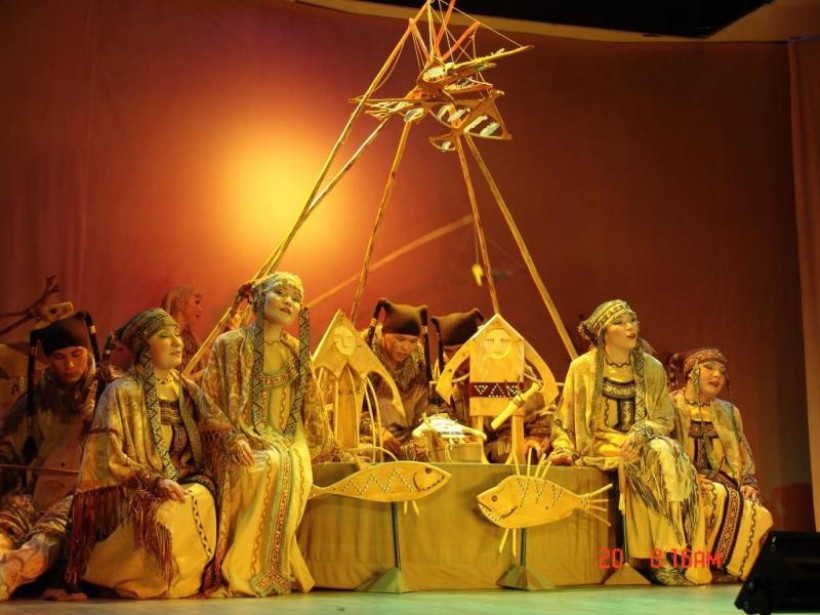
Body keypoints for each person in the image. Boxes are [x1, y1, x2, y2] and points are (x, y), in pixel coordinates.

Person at [65, 308, 246, 599]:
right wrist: (153, 481)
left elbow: (217, 422)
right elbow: (106, 456)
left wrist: (235, 440)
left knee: (196, 497)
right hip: (135, 491)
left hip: (186, 482)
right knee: (167, 510)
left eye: (177, 335)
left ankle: (180, 580)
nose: (176, 342)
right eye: (164, 336)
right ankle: (126, 576)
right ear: (143, 347)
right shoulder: (121, 392)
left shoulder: (186, 389)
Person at [199, 272, 334, 597]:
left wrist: (326, 446)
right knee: (265, 464)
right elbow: (209, 401)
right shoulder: (229, 344)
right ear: (260, 298)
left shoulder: (297, 351)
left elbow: (312, 407)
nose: (289, 302)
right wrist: (231, 437)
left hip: (289, 437)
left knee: (290, 464)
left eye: (296, 298)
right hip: (239, 436)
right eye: (281, 293)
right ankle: (244, 568)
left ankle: (275, 569)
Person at [549, 299, 701, 585]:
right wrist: (563, 448)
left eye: (633, 320)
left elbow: (664, 418)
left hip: (644, 439)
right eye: (620, 323)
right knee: (644, 461)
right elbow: (564, 417)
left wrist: (642, 432)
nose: (630, 327)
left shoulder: (651, 368)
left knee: (667, 453)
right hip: (600, 442)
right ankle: (652, 559)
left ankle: (672, 551)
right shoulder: (582, 369)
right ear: (603, 333)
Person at [0, 313, 99, 600]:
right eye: (59, 357)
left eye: (77, 354)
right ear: (48, 359)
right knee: (9, 518)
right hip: (37, 489)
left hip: (86, 492)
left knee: (54, 529)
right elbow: (10, 451)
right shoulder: (35, 399)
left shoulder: (112, 391)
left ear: (88, 352)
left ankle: (10, 573)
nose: (69, 365)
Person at [668, 347, 773, 581]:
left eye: (722, 372)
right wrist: (686, 477)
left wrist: (749, 482)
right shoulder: (670, 406)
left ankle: (731, 570)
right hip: (685, 481)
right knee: (716, 496)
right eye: (709, 368)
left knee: (758, 512)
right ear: (690, 372)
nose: (717, 375)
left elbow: (743, 452)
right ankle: (705, 566)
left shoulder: (729, 412)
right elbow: (663, 449)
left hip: (724, 480)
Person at [363, 299, 441, 458]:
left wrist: (423, 436)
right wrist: (376, 431)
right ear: (384, 334)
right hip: (366, 441)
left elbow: (427, 409)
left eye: (412, 341)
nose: (406, 348)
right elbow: (342, 411)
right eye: (400, 339)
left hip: (405, 443)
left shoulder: (418, 365)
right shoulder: (361, 356)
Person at [160, 285, 205, 375]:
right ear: (179, 303)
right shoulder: (161, 337)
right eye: (197, 302)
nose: (201, 309)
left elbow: (213, 357)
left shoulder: (192, 338)